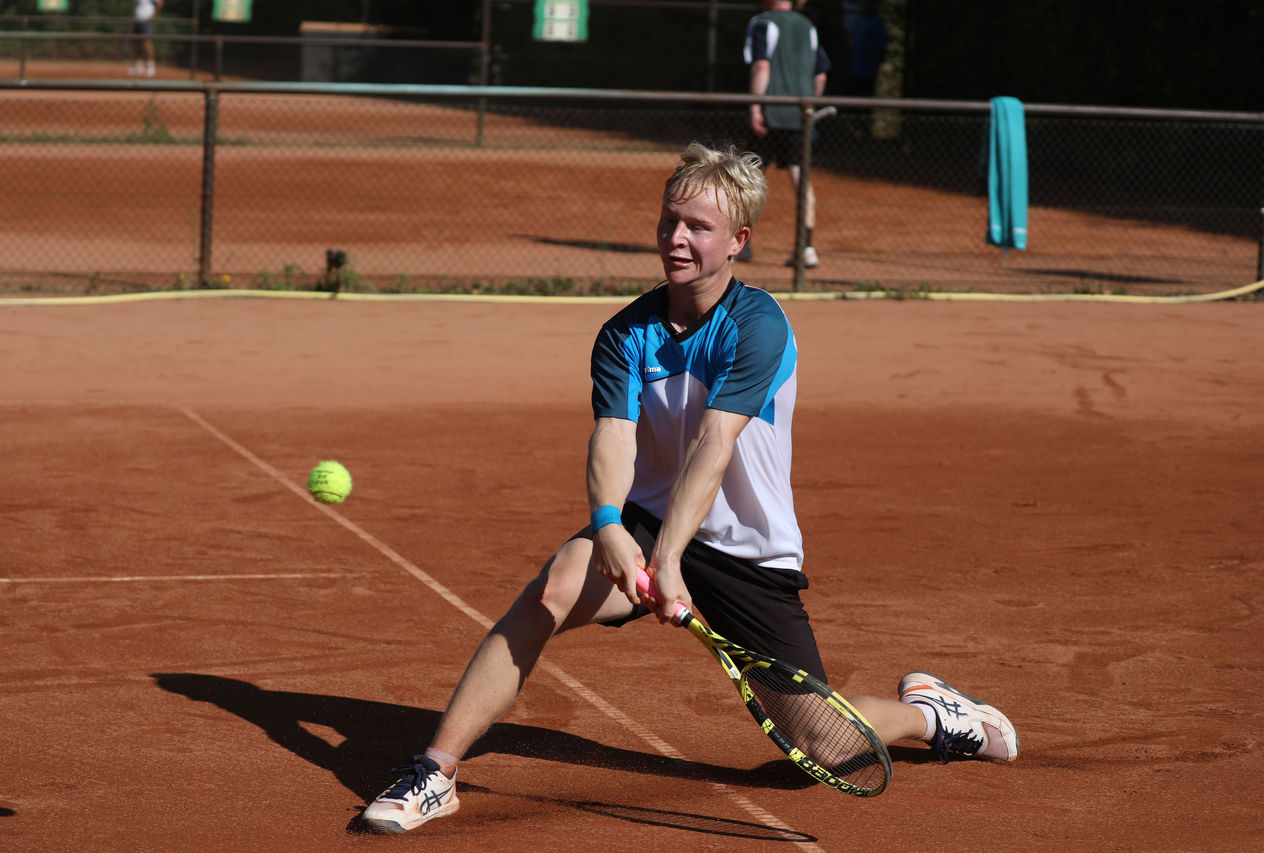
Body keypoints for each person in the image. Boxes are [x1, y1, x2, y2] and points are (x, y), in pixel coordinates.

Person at [360, 142, 1018, 835]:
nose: (677, 238)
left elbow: (715, 444)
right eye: (670, 221)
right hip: (647, 518)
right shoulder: (626, 332)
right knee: (552, 588)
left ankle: (934, 714)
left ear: (738, 242)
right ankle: (435, 771)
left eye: (698, 227)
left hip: (746, 549)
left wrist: (669, 561)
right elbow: (613, 434)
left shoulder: (757, 325)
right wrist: (610, 524)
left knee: (822, 745)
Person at [741, 0, 830, 268]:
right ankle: (806, 247)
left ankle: (740, 245)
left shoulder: (762, 22)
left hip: (770, 114)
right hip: (799, 114)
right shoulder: (807, 25)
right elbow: (821, 73)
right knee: (800, 178)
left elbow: (761, 66)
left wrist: (756, 106)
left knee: (746, 178)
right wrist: (809, 107)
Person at [127, 0, 163, 78]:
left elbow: (160, 2)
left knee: (147, 43)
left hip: (147, 21)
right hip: (137, 20)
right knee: (136, 43)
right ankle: (138, 66)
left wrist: (153, 16)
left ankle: (151, 67)